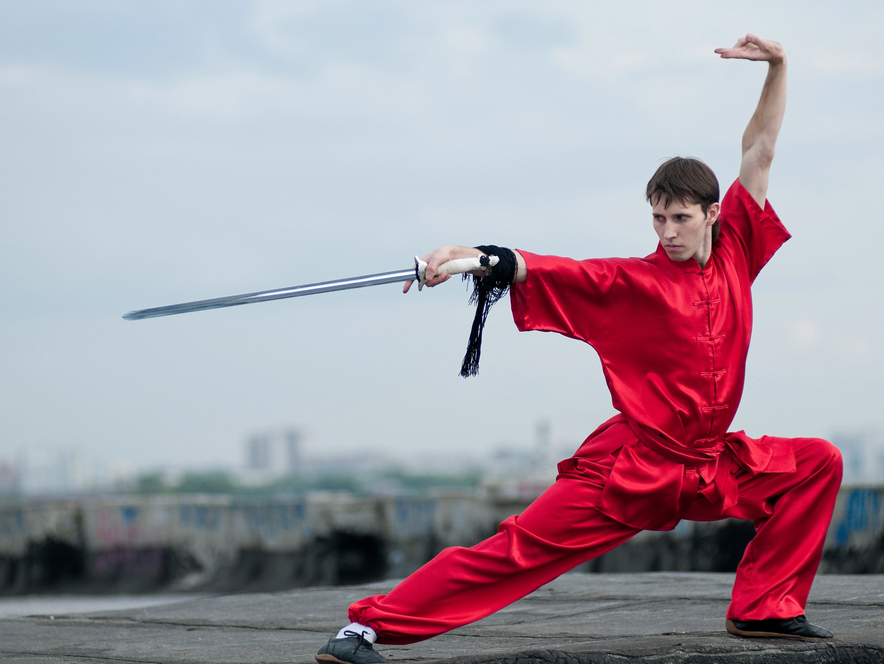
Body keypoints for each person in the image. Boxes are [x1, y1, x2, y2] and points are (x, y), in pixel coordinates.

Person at [316, 34, 843, 664]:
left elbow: (759, 148)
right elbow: (545, 270)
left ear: (711, 214)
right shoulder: (633, 282)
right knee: (517, 550)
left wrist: (780, 67)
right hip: (634, 470)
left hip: (709, 468)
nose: (667, 232)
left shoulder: (738, 250)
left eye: (680, 219)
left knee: (816, 464)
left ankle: (764, 608)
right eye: (657, 218)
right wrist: (469, 259)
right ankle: (364, 630)